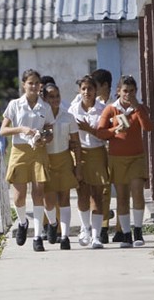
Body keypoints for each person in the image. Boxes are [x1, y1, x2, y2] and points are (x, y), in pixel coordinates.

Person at [96, 75, 153, 248]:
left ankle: (138, 231)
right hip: (117, 158)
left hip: (136, 157)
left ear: (136, 92)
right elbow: (100, 132)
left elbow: (148, 127)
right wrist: (115, 129)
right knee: (121, 197)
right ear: (118, 91)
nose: (128, 94)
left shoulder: (139, 108)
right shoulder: (111, 109)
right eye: (125, 91)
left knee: (137, 192)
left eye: (132, 91)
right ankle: (126, 234)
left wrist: (137, 107)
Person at [0, 69, 53, 252]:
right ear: (24, 84)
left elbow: (49, 130)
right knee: (19, 196)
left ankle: (37, 236)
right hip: (19, 150)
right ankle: (22, 222)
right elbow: (3, 130)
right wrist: (21, 129)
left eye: (37, 83)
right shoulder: (15, 104)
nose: (34, 86)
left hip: (38, 150)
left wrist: (44, 137)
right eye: (30, 83)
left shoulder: (44, 107)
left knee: (38, 194)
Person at [68, 75, 108, 249]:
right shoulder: (73, 110)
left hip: (97, 152)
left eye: (90, 89)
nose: (87, 92)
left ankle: (96, 235)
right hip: (79, 152)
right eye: (83, 89)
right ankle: (84, 229)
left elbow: (106, 134)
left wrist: (88, 129)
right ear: (79, 90)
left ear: (95, 90)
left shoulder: (103, 109)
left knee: (97, 195)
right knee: (82, 192)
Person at [42, 83, 82, 250]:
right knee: (49, 201)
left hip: (64, 158)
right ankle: (52, 224)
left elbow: (76, 142)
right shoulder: (40, 118)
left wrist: (78, 165)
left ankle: (65, 236)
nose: (55, 99)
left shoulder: (68, 117)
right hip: (47, 160)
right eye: (51, 96)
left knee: (64, 199)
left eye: (57, 96)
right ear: (44, 99)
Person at [90, 69, 119, 243]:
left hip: (115, 149)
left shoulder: (115, 104)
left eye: (96, 85)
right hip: (100, 149)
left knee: (122, 189)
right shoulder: (92, 104)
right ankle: (103, 226)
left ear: (105, 86)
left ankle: (122, 229)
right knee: (103, 189)